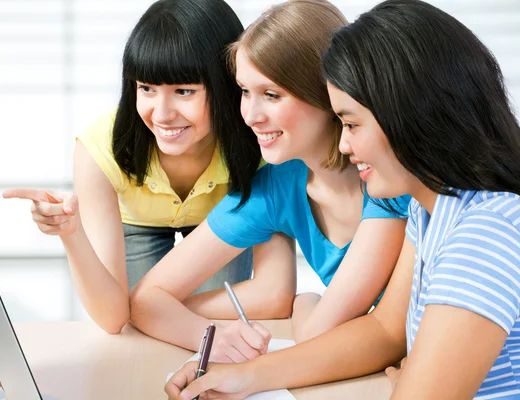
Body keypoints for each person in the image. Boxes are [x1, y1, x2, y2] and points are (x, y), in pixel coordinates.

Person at [164, 1, 520, 399]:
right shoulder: (430, 209)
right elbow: (384, 330)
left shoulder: (484, 234)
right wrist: (246, 376)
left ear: (411, 116)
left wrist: (416, 377)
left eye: (351, 124)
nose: (345, 143)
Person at [131, 0, 409, 364]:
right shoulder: (277, 186)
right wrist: (207, 337)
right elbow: (146, 299)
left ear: (327, 92)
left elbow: (319, 334)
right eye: (245, 91)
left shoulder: (390, 177)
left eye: (272, 95)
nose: (250, 115)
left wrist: (305, 303)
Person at [2, 0, 261, 334]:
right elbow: (113, 318)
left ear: (226, 85)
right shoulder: (99, 148)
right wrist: (71, 233)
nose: (162, 114)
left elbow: (268, 296)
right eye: (147, 89)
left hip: (220, 219)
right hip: (136, 222)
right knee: (135, 333)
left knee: (212, 323)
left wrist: (158, 307)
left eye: (184, 91)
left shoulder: (259, 141)